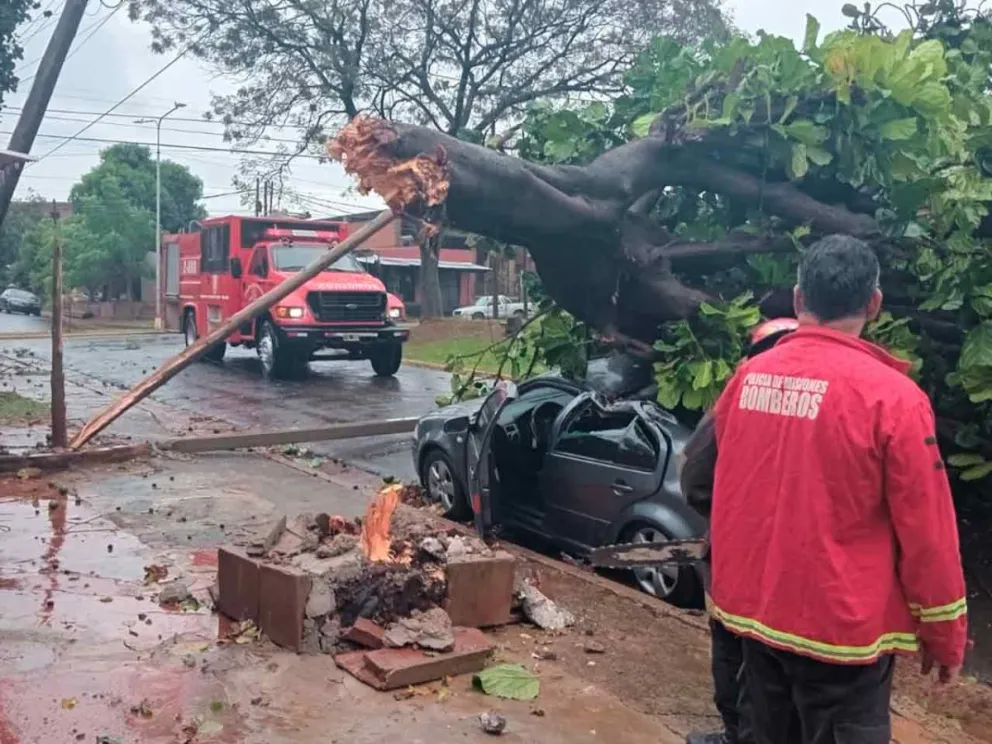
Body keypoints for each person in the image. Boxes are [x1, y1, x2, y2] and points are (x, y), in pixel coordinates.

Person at [706, 235, 968, 744]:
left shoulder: (748, 378)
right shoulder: (893, 399)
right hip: (841, 635)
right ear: (874, 304)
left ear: (799, 299)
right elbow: (928, 532)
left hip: (754, 619)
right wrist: (945, 633)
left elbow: (723, 478)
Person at [681, 317, 799, 744]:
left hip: (741, 558)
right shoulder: (840, 395)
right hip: (809, 572)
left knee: (734, 653)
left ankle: (736, 735)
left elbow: (695, 477)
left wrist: (725, 514)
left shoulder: (741, 395)